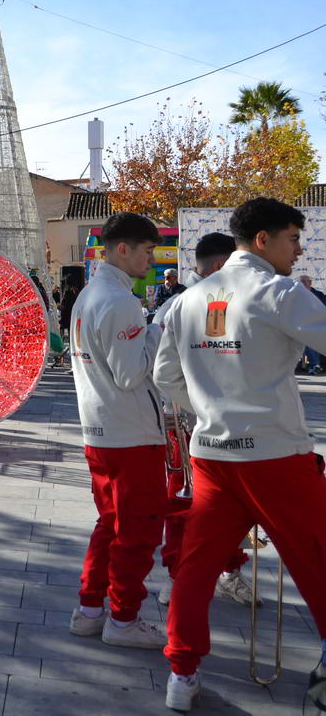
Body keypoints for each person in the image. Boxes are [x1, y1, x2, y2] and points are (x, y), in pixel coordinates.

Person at [154, 198, 326, 712]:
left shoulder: (187, 300)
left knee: (196, 567)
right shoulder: (279, 292)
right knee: (317, 558)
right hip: (276, 455)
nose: (299, 251)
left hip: (213, 452)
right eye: (293, 239)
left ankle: (181, 673)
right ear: (263, 240)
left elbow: (164, 377)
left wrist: (211, 409)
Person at [67, 211, 167, 651]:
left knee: (110, 524)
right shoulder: (121, 301)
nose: (152, 261)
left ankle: (90, 609)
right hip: (131, 434)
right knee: (138, 531)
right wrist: (157, 333)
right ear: (122, 249)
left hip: (99, 429)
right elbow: (130, 374)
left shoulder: (89, 294)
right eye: (148, 251)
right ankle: (123, 618)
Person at [149, 232, 253, 608]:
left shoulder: (235, 301)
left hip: (229, 422)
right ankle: (176, 574)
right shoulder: (177, 306)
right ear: (220, 266)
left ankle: (229, 570)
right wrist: (201, 405)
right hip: (185, 417)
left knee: (234, 499)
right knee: (183, 497)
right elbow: (160, 370)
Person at [299, 275, 326, 374]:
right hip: (302, 325)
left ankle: (315, 365)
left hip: (319, 324)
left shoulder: (319, 294)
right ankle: (315, 365)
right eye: (300, 282)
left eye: (304, 281)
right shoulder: (296, 295)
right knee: (307, 340)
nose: (302, 284)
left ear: (310, 283)